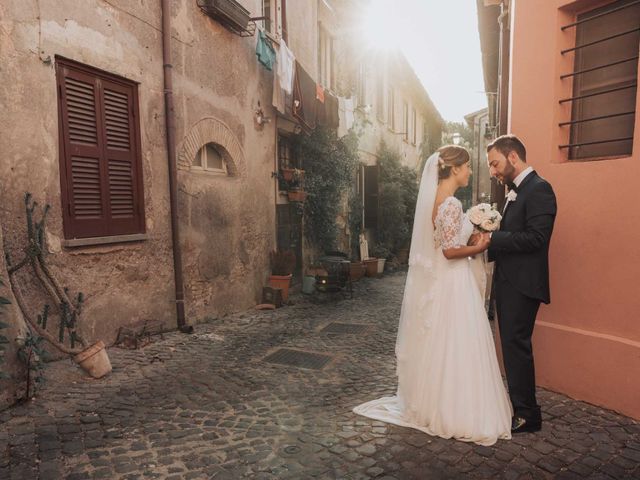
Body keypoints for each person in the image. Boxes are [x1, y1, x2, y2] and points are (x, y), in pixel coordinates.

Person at [353, 145, 512, 446]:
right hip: (453, 281)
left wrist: (474, 232)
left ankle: (434, 402)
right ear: (454, 169)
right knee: (458, 342)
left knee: (443, 342)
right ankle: (456, 409)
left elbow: (445, 242)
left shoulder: (435, 200)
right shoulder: (450, 203)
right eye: (466, 167)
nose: (468, 172)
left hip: (445, 281)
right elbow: (450, 251)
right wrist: (480, 246)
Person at [486, 134, 557, 433]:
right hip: (508, 282)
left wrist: (492, 238)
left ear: (513, 156)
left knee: (517, 347)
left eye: (495, 163)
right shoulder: (515, 191)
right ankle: (521, 408)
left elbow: (537, 238)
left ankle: (528, 415)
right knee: (512, 347)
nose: (493, 171)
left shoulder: (539, 189)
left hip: (523, 285)